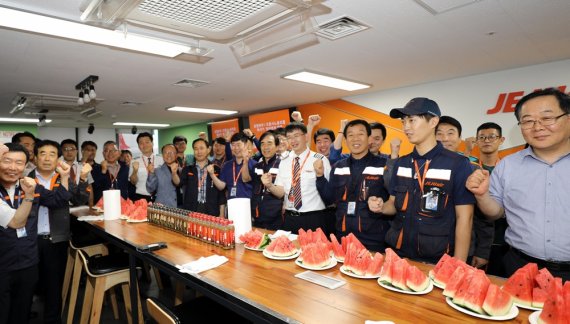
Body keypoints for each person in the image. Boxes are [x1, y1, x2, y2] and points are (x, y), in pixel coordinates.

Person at [466, 88, 570, 280]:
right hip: (519, 265)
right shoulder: (508, 165)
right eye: (528, 121)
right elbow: (496, 212)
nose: (537, 127)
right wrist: (482, 195)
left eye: (547, 118)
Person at [368, 98, 475, 263]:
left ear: (433, 122)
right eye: (403, 121)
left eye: (412, 120)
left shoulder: (458, 164)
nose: (406, 127)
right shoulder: (401, 163)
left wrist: (458, 264)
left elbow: (464, 218)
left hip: (437, 258)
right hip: (398, 253)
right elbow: (393, 204)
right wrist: (381, 206)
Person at [0, 143, 71, 324]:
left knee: (21, 310)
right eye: (7, 161)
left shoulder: (30, 185)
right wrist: (29, 195)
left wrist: (64, 177)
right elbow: (17, 222)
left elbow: (59, 200)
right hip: (3, 262)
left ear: (25, 166)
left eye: (19, 163)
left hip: (27, 260)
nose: (12, 167)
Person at [316, 120, 389, 251]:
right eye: (350, 135)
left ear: (369, 138)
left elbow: (393, 201)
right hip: (343, 234)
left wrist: (381, 203)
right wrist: (320, 177)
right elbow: (329, 199)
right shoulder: (339, 166)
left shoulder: (384, 165)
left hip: (373, 238)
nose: (355, 138)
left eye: (360, 134)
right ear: (345, 139)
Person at [435, 116, 494, 269]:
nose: (444, 138)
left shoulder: (474, 170)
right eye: (439, 133)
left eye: (450, 133)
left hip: (463, 248)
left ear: (459, 138)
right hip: (429, 246)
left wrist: (482, 251)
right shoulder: (423, 167)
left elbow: (485, 216)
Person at [27, 140, 74, 324]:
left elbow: (77, 198)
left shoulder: (63, 178)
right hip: (30, 242)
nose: (47, 158)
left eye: (52, 154)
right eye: (43, 154)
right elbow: (56, 201)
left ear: (58, 158)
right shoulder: (26, 180)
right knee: (28, 286)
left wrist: (67, 179)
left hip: (56, 241)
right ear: (35, 158)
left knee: (54, 287)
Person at [269, 122, 331, 234]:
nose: (293, 140)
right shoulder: (284, 161)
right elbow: (281, 192)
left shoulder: (320, 159)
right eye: (289, 137)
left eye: (296, 136)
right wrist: (269, 185)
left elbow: (330, 194)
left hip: (314, 218)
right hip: (290, 218)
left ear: (306, 137)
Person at [473, 122, 508, 276]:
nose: (487, 140)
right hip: (475, 238)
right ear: (476, 141)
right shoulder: (469, 167)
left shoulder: (510, 168)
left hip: (503, 239)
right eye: (482, 137)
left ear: (501, 140)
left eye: (492, 137)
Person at [242, 131, 283, 230]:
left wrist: (269, 185)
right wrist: (245, 161)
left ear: (277, 147)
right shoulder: (257, 165)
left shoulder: (282, 165)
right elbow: (245, 178)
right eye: (262, 144)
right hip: (257, 214)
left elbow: (282, 193)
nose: (265, 147)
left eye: (269, 143)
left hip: (275, 216)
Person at [177, 139, 226, 216]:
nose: (199, 152)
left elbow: (221, 194)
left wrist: (222, 214)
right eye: (196, 149)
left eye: (201, 148)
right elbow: (178, 183)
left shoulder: (217, 169)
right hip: (191, 210)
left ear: (208, 150)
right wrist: (174, 173)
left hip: (211, 210)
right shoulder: (187, 169)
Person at [209, 133, 256, 202]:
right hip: (231, 203)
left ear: (246, 145)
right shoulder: (226, 165)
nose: (236, 148)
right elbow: (221, 186)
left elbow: (246, 179)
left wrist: (245, 161)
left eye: (238, 145)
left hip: (249, 203)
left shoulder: (254, 164)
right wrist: (212, 174)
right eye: (233, 145)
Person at [129, 132, 164, 202]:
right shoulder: (134, 161)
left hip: (159, 196)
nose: (144, 145)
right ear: (138, 146)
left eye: (147, 142)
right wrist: (135, 171)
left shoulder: (161, 160)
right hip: (140, 197)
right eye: (141, 143)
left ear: (152, 143)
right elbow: (133, 182)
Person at [61, 139, 93, 206]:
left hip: (81, 205)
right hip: (63, 206)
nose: (69, 152)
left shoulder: (84, 167)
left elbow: (89, 188)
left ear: (77, 151)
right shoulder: (58, 168)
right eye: (66, 149)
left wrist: (91, 205)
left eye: (72, 149)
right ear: (61, 151)